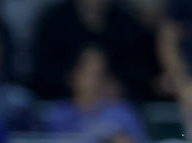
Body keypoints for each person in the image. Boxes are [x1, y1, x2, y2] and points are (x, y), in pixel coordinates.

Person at [28, 0, 156, 102]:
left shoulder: (127, 22)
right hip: (60, 102)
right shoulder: (54, 21)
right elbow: (41, 71)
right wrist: (76, 84)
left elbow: (141, 70)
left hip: (116, 105)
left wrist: (116, 85)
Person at [41, 47, 145, 143]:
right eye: (87, 73)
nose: (94, 81)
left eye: (99, 73)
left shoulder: (122, 114)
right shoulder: (56, 115)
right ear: (72, 76)